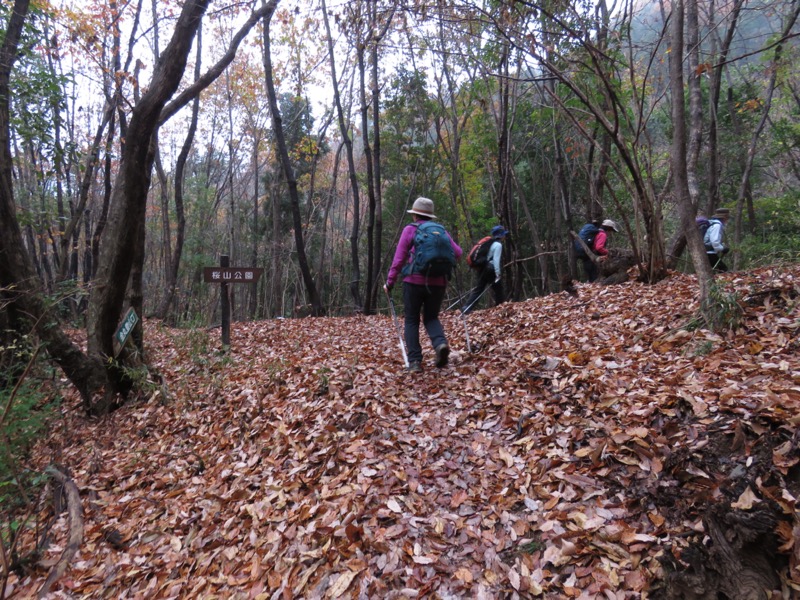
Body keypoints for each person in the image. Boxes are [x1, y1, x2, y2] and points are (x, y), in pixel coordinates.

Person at [384, 197, 462, 373]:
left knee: (412, 319)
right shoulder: (441, 231)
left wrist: (390, 282)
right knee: (431, 317)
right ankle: (440, 344)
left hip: (413, 281)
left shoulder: (410, 230)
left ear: (415, 215)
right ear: (430, 216)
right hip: (438, 283)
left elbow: (399, 258)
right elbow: (457, 252)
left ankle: (414, 363)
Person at [463, 225, 508, 315]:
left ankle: (466, 307)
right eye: (504, 234)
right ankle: (500, 307)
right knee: (499, 289)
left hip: (483, 268)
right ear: (500, 235)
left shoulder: (490, 243)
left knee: (479, 289)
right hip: (490, 270)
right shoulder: (498, 245)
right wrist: (498, 274)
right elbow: (496, 260)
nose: (505, 236)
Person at [705, 208, 730, 272]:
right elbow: (714, 241)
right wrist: (722, 249)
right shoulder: (717, 226)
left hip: (707, 252)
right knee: (723, 270)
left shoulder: (713, 223)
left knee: (718, 270)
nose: (728, 220)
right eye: (727, 218)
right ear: (724, 218)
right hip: (710, 253)